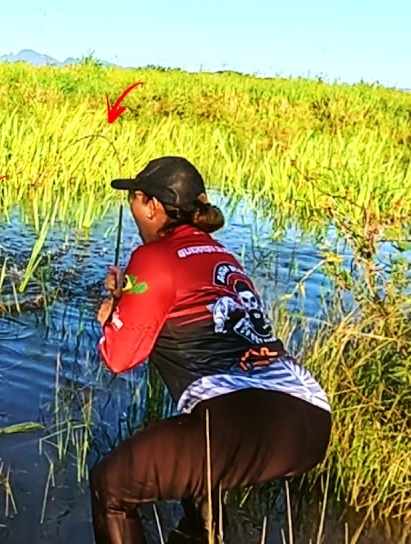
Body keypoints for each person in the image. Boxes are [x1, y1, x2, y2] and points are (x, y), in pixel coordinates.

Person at [89, 156, 332, 544]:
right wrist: (132, 304)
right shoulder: (223, 255)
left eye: (134, 198)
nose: (132, 208)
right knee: (197, 463)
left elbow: (120, 357)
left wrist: (110, 317)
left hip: (239, 418)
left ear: (152, 206)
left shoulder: (152, 258)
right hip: (310, 419)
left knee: (110, 486)